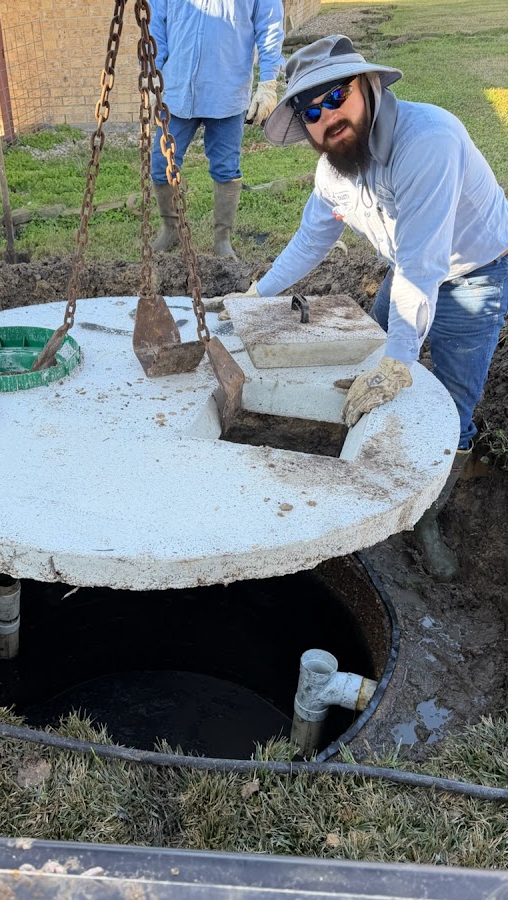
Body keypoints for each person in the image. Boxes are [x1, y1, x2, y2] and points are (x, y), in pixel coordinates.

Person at [218, 35, 508, 580]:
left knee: (452, 400)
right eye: (310, 109)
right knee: (363, 364)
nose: (327, 115)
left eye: (336, 96)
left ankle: (427, 518)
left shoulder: (429, 141)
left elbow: (426, 265)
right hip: (410, 268)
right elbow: (311, 239)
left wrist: (400, 358)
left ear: (368, 86)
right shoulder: (335, 170)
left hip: (473, 272)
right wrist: (256, 295)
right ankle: (362, 472)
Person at [149, 0, 284, 260]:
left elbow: (270, 27)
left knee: (225, 169)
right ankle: (171, 229)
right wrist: (153, 70)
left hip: (227, 93)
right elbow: (157, 24)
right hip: (179, 91)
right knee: (160, 163)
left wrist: (268, 82)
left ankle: (222, 239)